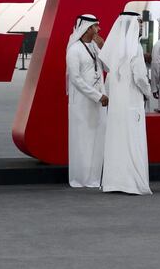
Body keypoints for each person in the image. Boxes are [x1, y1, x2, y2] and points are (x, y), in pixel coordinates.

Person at [100, 12, 153, 195]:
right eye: (138, 22)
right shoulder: (134, 48)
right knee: (133, 140)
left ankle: (115, 182)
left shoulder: (114, 47)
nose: (140, 26)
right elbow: (140, 77)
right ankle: (132, 183)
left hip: (117, 104)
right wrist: (148, 92)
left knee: (117, 140)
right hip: (132, 102)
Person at [65, 14, 108, 188]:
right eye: (96, 26)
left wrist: (103, 48)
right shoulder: (74, 50)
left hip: (98, 101)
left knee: (97, 139)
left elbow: (108, 67)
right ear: (87, 28)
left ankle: (93, 178)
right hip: (82, 102)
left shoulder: (95, 48)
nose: (98, 30)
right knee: (82, 140)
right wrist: (97, 95)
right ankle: (81, 178)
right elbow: (76, 79)